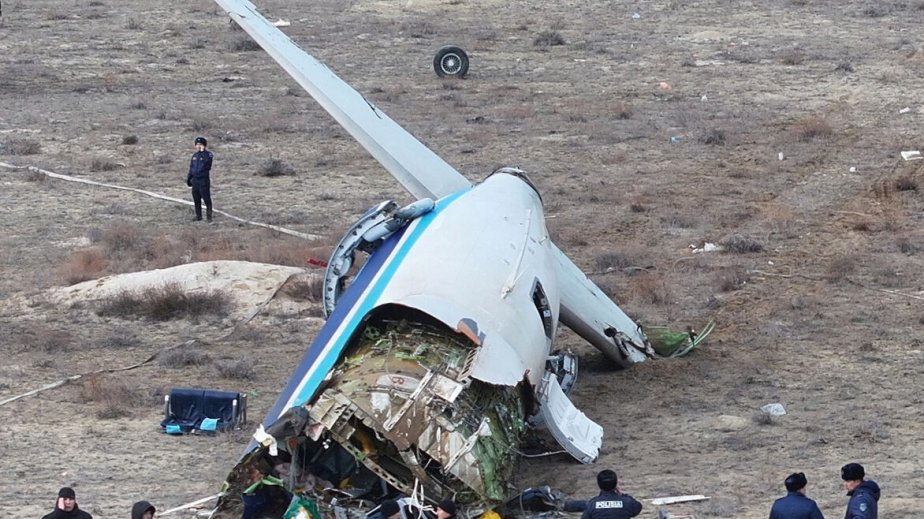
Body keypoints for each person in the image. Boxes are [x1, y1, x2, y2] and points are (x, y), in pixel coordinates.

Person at [186, 136, 214, 222]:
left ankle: (209, 217)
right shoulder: (194, 156)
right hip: (195, 180)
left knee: (206, 199)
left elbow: (208, 163)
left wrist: (203, 152)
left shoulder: (208, 154)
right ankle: (199, 216)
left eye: (200, 144)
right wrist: (189, 178)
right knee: (196, 199)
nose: (198, 146)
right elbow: (191, 168)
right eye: (197, 144)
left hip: (203, 180)